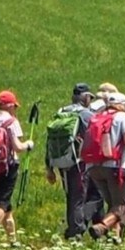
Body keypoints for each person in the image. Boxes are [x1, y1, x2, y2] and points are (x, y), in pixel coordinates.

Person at [79, 89, 125, 240]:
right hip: (116, 166)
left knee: (111, 204)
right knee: (121, 206)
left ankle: (115, 237)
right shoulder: (122, 116)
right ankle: (101, 227)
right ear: (122, 105)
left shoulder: (95, 117)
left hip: (94, 167)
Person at [0, 90, 32, 246]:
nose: (15, 109)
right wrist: (28, 145)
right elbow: (17, 147)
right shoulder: (11, 122)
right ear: (10, 106)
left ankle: (13, 240)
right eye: (14, 106)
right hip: (9, 165)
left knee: (7, 206)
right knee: (3, 201)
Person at [44, 84, 94, 239]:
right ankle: (76, 231)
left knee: (70, 195)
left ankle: (73, 227)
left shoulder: (61, 112)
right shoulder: (86, 114)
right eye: (90, 97)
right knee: (78, 196)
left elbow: (49, 140)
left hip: (61, 159)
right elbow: (92, 137)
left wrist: (49, 166)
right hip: (79, 161)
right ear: (85, 97)